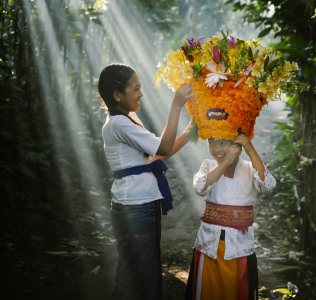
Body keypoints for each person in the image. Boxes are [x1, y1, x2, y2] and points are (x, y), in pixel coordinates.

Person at [97, 62, 193, 300]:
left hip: (138, 204)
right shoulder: (119, 123)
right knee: (142, 273)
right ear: (117, 95)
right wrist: (176, 105)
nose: (141, 94)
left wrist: (193, 130)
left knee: (138, 269)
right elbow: (163, 146)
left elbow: (160, 153)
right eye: (136, 88)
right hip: (135, 206)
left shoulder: (126, 118)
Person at [185, 133, 276, 300]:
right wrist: (225, 162)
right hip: (209, 247)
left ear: (238, 145)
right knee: (207, 292)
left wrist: (250, 149)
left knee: (233, 292)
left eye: (223, 142)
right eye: (211, 142)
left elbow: (268, 185)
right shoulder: (208, 166)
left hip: (238, 249)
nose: (217, 148)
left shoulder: (250, 168)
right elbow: (200, 188)